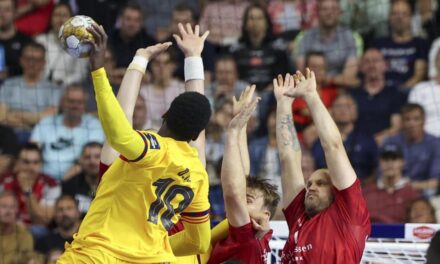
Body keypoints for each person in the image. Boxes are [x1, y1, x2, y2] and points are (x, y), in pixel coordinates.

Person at [57, 23, 212, 263]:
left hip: (96, 255)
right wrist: (194, 57)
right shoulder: (196, 173)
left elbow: (121, 120)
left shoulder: (140, 153)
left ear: (164, 115)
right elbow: (200, 243)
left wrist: (136, 61)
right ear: (195, 133)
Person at [275, 70, 370, 263]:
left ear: (336, 191)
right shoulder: (299, 217)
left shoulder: (349, 214)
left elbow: (333, 146)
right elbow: (288, 160)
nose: (311, 187)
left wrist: (311, 96)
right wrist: (284, 103)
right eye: (310, 183)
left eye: (321, 183)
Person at [208, 85, 280, 264]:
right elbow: (241, 178)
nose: (240, 200)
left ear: (265, 215)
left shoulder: (247, 231)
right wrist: (241, 122)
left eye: (247, 201)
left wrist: (232, 133)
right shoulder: (256, 232)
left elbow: (233, 190)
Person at [30, 84, 104, 181]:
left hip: (79, 177)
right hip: (43, 177)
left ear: (85, 105)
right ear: (62, 103)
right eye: (71, 101)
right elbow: (32, 149)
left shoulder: (94, 125)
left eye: (79, 102)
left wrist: (69, 179)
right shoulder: (46, 122)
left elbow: (92, 155)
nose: (75, 106)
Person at [0, 190, 34, 264]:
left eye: (12, 207)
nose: (8, 211)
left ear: (17, 211)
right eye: (4, 206)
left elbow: (27, 260)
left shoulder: (25, 236)